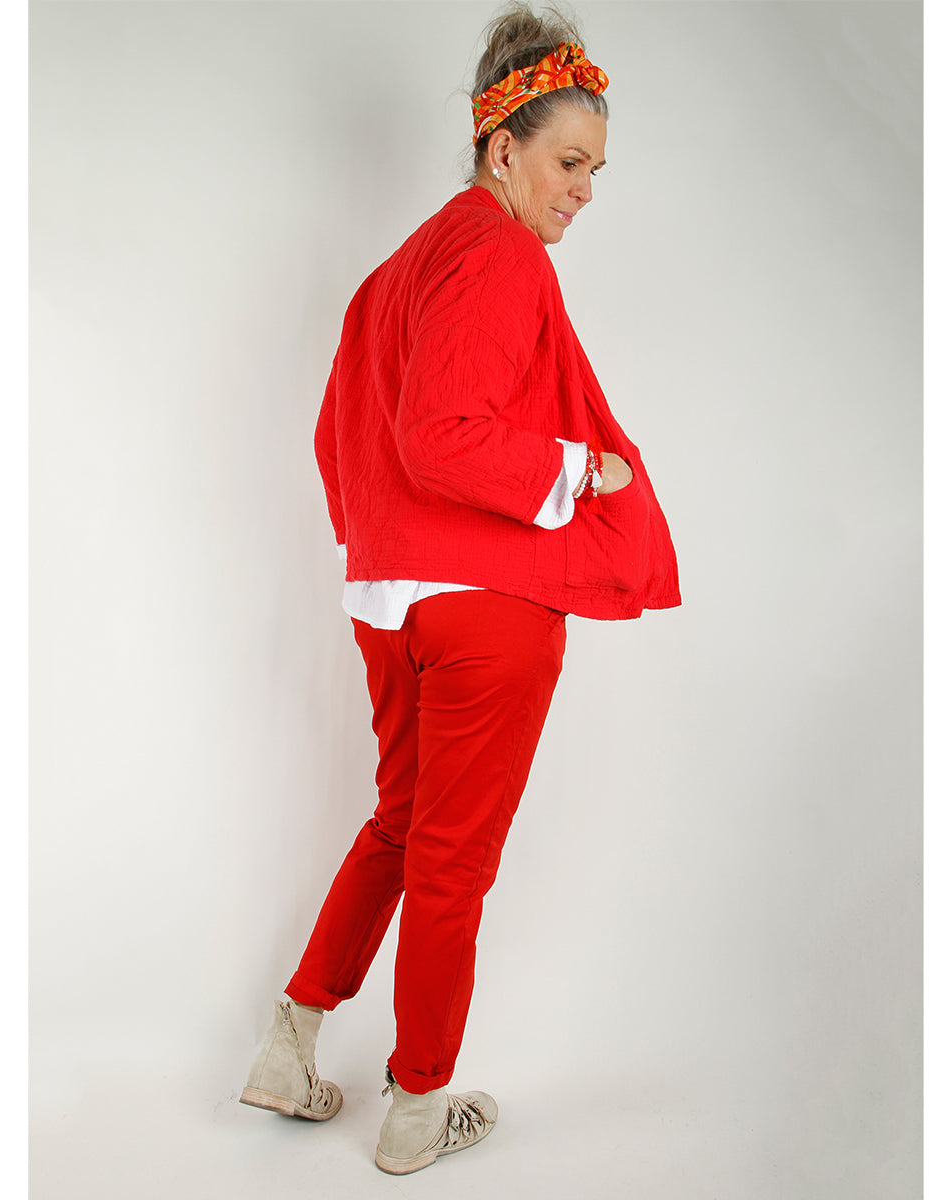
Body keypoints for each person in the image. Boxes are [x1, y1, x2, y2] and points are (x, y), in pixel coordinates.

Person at [239, 1, 680, 1176]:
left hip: (393, 606)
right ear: (500, 147)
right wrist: (578, 469)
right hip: (486, 609)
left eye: (594, 170)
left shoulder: (391, 276)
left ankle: (289, 1046)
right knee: (450, 861)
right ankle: (418, 1110)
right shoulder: (498, 254)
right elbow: (439, 435)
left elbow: (341, 443)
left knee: (401, 825)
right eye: (568, 162)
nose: (583, 190)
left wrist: (384, 555)